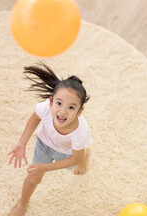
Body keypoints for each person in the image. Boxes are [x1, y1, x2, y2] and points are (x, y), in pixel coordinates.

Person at [8, 62, 92, 215]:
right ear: (51, 101)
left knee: (79, 159)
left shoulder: (81, 132)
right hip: (44, 145)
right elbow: (34, 119)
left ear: (80, 111)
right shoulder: (45, 107)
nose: (63, 111)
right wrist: (22, 143)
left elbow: (74, 158)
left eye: (71, 107)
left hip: (68, 154)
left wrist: (45, 168)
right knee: (33, 178)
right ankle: (23, 203)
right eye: (59, 103)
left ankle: (86, 153)